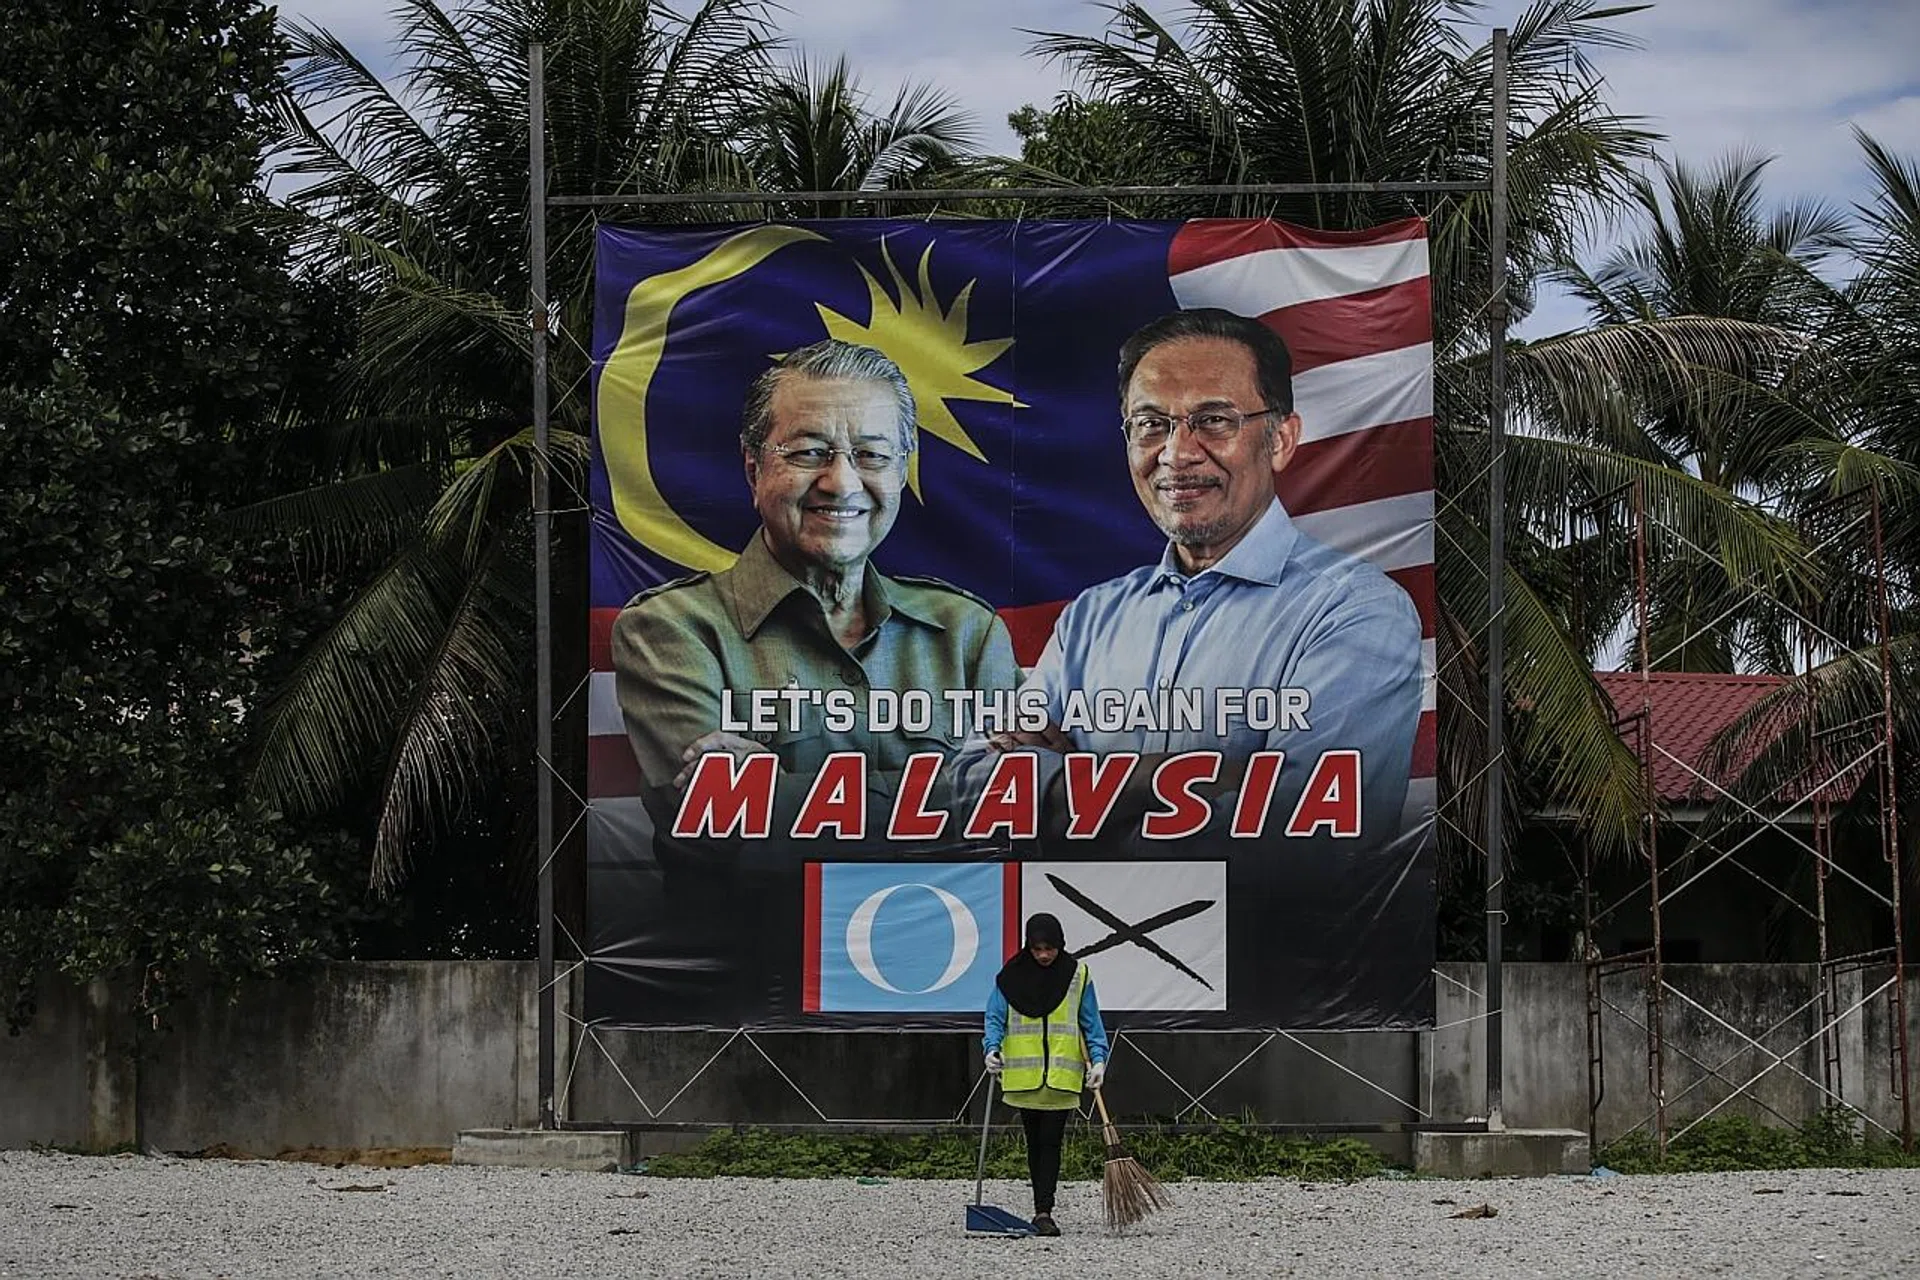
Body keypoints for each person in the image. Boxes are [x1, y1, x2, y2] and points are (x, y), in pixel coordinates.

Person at [608, 339, 1020, 1012]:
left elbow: (1007, 827)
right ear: (752, 469)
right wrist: (942, 801)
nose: (843, 482)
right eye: (808, 453)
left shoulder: (968, 633)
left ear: (901, 472)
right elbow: (721, 827)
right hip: (748, 1008)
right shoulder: (673, 630)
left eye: (872, 455)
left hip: (948, 993)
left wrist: (779, 791)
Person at [957, 306, 1424, 848]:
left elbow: (1302, 848)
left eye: (1215, 420)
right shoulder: (1092, 618)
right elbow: (968, 791)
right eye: (1152, 424)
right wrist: (1167, 782)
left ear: (1280, 441)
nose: (1177, 453)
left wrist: (1065, 794)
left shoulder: (1354, 613)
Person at [982, 912, 1109, 1237]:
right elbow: (995, 1017)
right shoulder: (1010, 976)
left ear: (1060, 944)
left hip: (1061, 1079)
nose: (1043, 955)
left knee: (1050, 1143)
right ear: (1028, 945)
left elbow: (1091, 1022)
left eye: (1049, 948)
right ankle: (1042, 1207)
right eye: (1037, 948)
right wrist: (990, 1049)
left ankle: (1043, 1211)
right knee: (1034, 1143)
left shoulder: (1077, 975)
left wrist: (1098, 1061)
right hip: (1024, 1079)